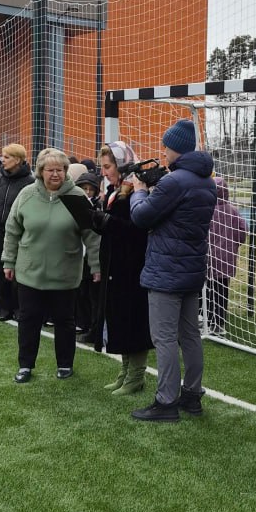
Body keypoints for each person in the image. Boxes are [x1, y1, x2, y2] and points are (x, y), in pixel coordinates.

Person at [126, 118, 217, 421]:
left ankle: (166, 401)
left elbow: (142, 217)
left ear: (175, 148)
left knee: (164, 338)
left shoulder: (174, 182)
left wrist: (140, 191)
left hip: (166, 271)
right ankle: (192, 395)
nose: (163, 152)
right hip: (191, 270)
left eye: (165, 146)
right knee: (190, 336)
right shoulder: (206, 181)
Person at [2, 148, 95, 383]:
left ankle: (65, 364)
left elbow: (92, 236)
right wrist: (8, 261)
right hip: (29, 273)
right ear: (40, 171)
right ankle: (25, 365)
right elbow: (12, 231)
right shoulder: (26, 194)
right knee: (28, 320)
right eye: (50, 170)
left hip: (65, 274)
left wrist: (96, 266)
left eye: (60, 170)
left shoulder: (77, 197)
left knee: (65, 321)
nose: (55, 174)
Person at [91, 142, 153, 395]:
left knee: (133, 320)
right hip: (115, 265)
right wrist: (97, 220)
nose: (104, 172)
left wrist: (107, 221)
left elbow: (137, 230)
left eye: (107, 166)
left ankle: (136, 375)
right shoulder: (114, 191)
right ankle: (125, 371)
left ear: (122, 164)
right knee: (119, 317)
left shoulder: (139, 190)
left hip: (132, 267)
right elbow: (113, 228)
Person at [0, 144, 34, 320]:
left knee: (17, 270)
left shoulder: (30, 181)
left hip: (18, 232)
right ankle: (3, 308)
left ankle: (18, 308)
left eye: (7, 157)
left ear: (17, 160)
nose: (3, 160)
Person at [206, 175, 247, 336]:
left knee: (208, 290)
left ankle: (207, 319)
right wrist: (234, 245)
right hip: (227, 259)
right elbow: (242, 231)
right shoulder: (233, 211)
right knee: (222, 291)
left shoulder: (207, 210)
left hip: (209, 258)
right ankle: (219, 323)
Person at [72, 169, 102, 344]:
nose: (88, 192)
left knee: (92, 295)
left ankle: (93, 327)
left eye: (91, 189)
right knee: (81, 292)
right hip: (78, 255)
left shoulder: (97, 206)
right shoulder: (73, 204)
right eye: (85, 188)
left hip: (92, 256)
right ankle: (82, 322)